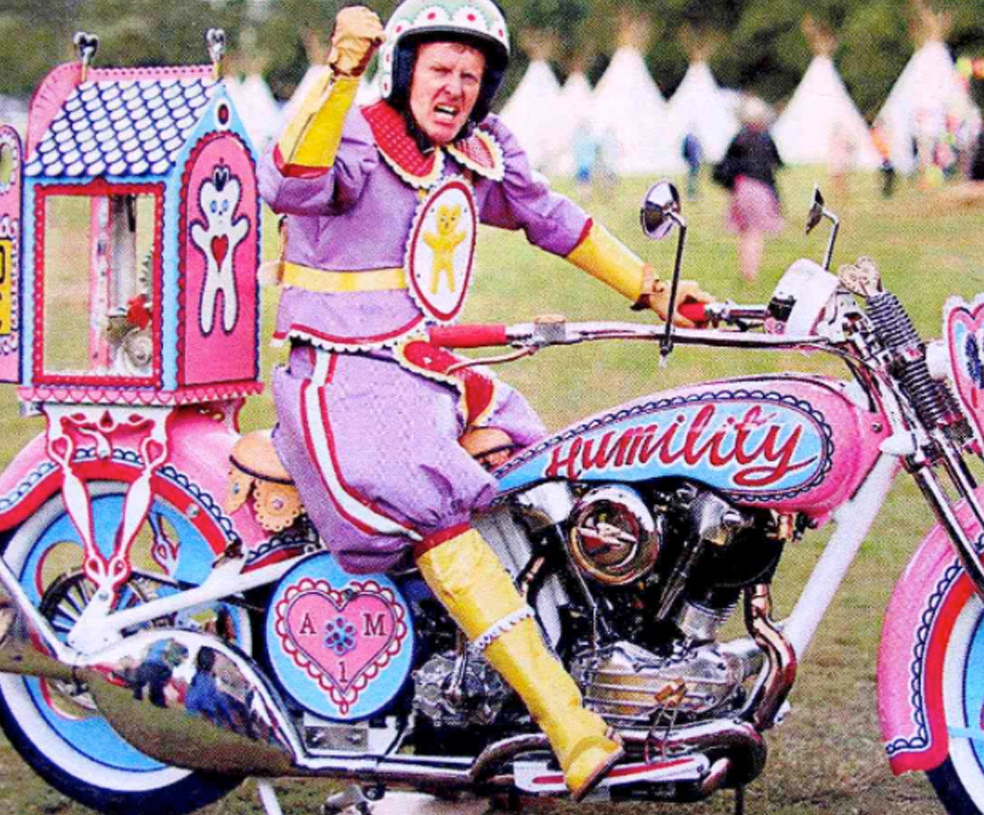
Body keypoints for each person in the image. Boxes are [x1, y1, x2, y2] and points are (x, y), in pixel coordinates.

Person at [257, 1, 714, 799]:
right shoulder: (358, 137)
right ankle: (568, 723)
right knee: (433, 503)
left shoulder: (475, 156)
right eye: (439, 69)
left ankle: (509, 681)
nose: (454, 89)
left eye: (470, 76)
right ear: (405, 72)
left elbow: (551, 218)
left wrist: (650, 289)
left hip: (423, 367)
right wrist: (337, 77)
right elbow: (290, 181)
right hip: (340, 372)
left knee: (538, 467)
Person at [715, 97, 783, 283]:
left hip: (741, 187)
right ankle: (751, 273)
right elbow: (778, 162)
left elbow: (725, 165)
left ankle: (745, 270)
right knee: (755, 233)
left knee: (744, 232)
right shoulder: (765, 137)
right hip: (760, 187)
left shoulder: (738, 137)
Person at [681, 130, 703, 200]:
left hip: (693, 162)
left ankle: (693, 194)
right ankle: (691, 195)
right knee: (692, 179)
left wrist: (686, 159)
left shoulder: (689, 140)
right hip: (694, 162)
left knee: (693, 179)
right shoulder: (694, 141)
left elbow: (684, 152)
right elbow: (699, 151)